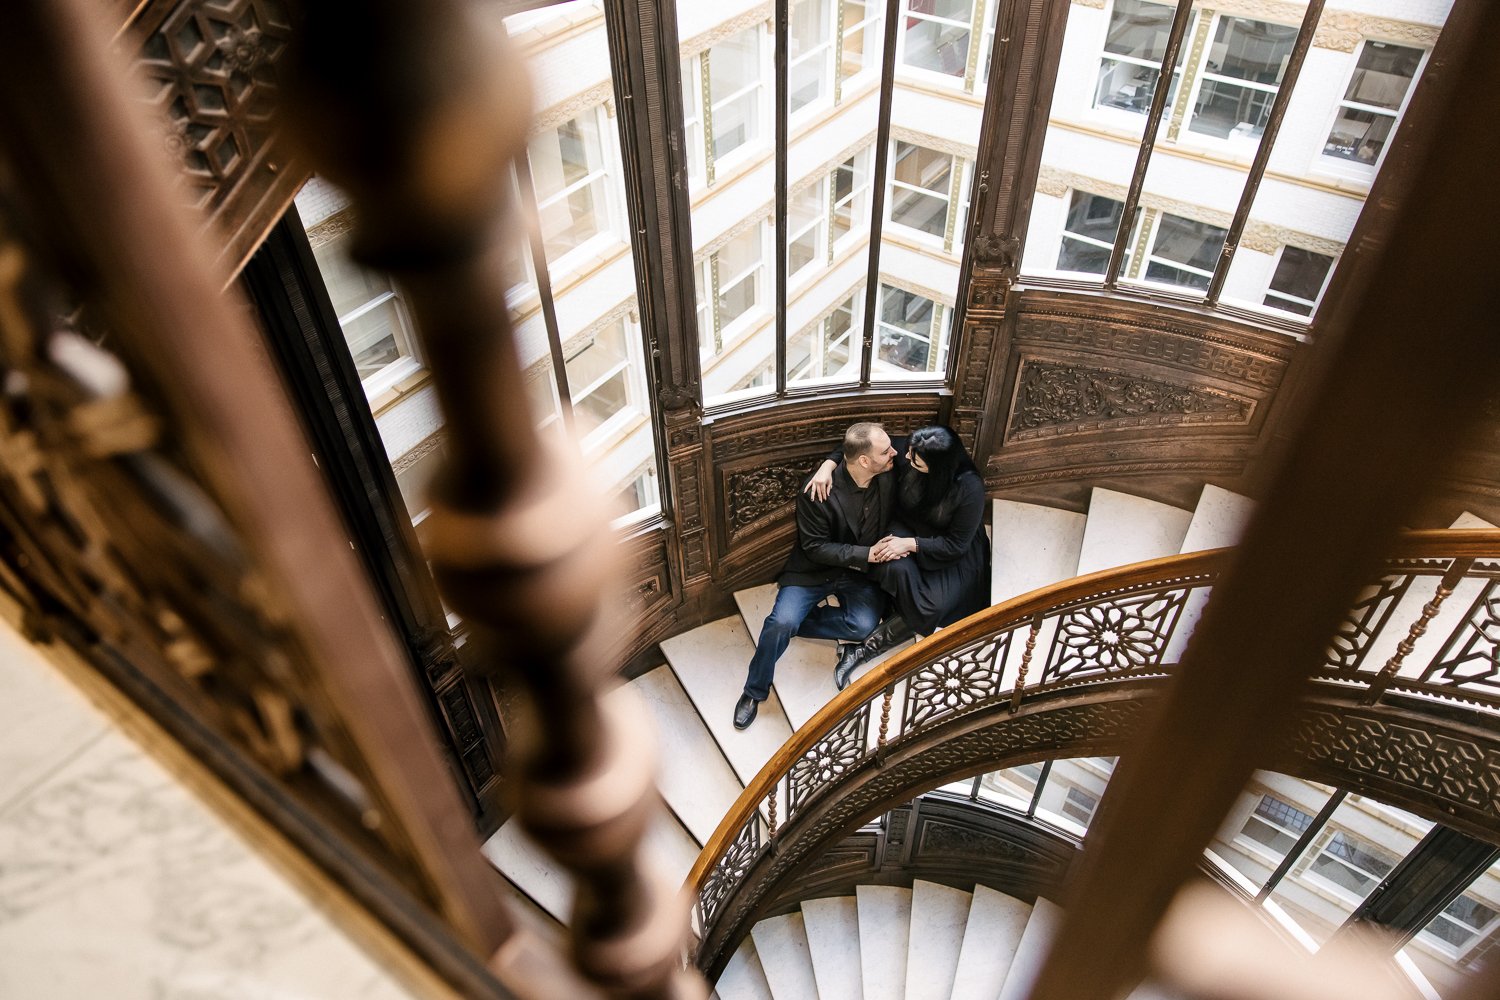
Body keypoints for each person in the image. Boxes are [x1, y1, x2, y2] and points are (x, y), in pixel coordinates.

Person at [733, 422, 901, 730]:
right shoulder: (816, 490)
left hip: (858, 576)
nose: (895, 452)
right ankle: (753, 690)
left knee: (863, 625)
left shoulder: (885, 469)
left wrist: (830, 458)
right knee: (780, 622)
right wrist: (866, 554)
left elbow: (855, 446)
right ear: (864, 461)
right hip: (814, 570)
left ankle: (798, 625)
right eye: (886, 450)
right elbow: (815, 548)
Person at [806, 425, 990, 685]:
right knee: (890, 564)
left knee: (932, 606)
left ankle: (861, 651)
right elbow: (856, 448)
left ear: (937, 467)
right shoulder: (912, 448)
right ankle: (888, 613)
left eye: (915, 460)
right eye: (909, 452)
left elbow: (956, 545)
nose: (904, 457)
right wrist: (827, 466)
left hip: (949, 545)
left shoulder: (970, 488)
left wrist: (910, 545)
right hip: (907, 526)